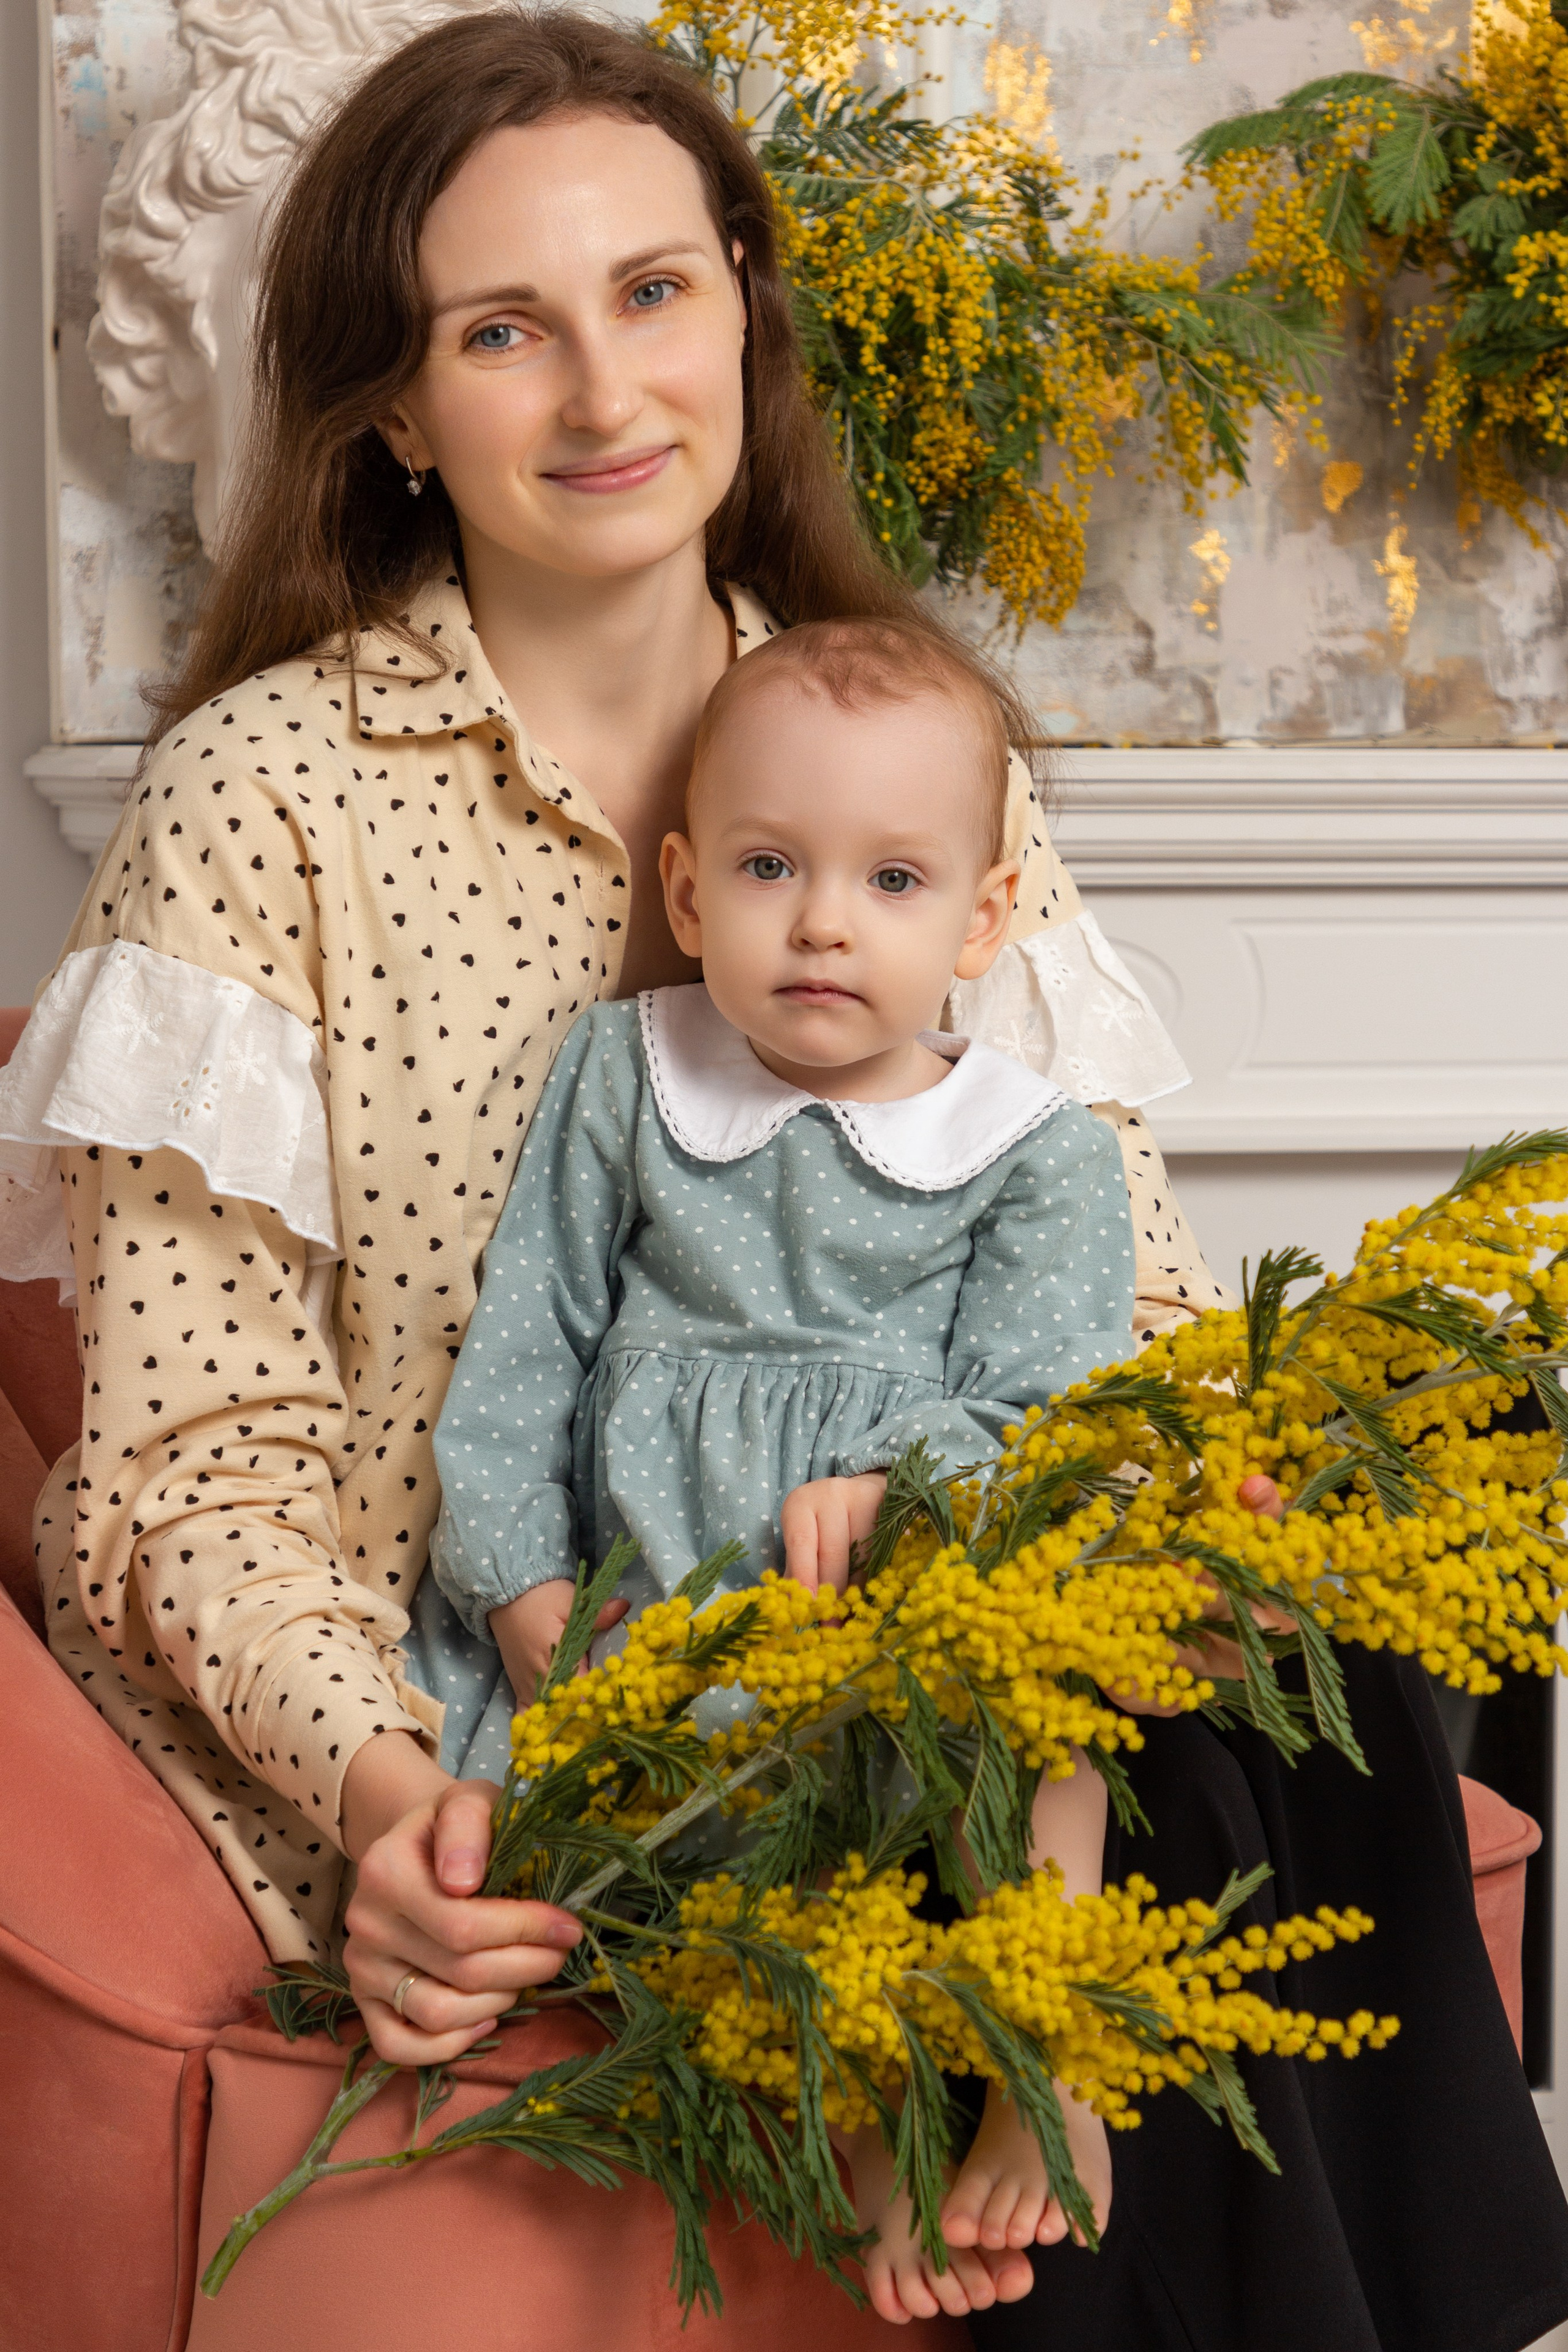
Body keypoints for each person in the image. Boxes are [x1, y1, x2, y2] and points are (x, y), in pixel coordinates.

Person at [2, 7, 1557, 2346]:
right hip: (566, 1708)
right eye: (503, 329)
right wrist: (393, 1796)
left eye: (657, 291)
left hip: (916, 1620)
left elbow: (1111, 1307)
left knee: (1374, 1598)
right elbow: (194, 1472)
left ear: (746, 303)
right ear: (400, 412)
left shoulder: (910, 749)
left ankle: (1076, 2088)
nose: (608, 392)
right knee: (1206, 1802)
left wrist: (1122, 1552)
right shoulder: (271, 803)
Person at [428, 612, 1125, 2324]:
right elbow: (519, 1368)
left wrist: (914, 1479)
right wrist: (539, 1629)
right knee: (712, 1875)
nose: (822, 920)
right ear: (683, 893)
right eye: (766, 866)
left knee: (1048, 1720)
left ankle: (1062, 2055)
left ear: (981, 918)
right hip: (649, 1627)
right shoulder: (625, 1077)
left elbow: (1056, 1412)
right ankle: (869, 2119)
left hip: (900, 1618)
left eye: (892, 882)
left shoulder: (1037, 1151)